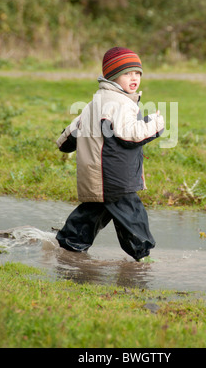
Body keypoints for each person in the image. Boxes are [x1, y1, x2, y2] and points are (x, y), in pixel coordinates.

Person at [55, 47, 164, 261]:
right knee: (132, 215)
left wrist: (63, 143)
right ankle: (143, 259)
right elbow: (130, 135)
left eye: (137, 73)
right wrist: (155, 124)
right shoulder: (119, 103)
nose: (134, 78)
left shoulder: (95, 102)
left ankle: (69, 247)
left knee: (91, 213)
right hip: (115, 178)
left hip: (97, 177)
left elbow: (72, 132)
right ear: (113, 76)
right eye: (127, 73)